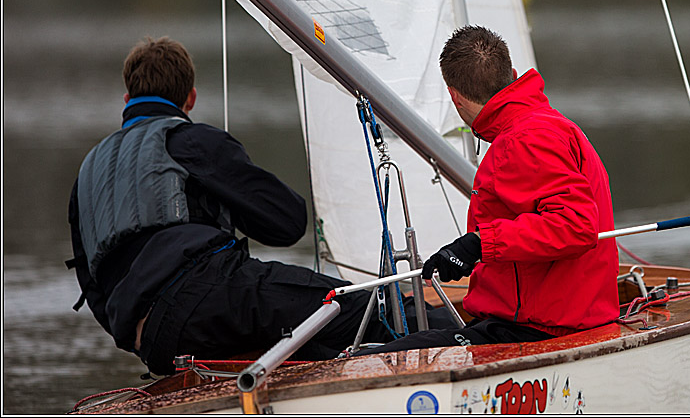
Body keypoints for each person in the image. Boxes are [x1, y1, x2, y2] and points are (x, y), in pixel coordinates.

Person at [67, 37, 427, 376]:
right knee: (361, 312)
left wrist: (138, 337)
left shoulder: (85, 174)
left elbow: (92, 286)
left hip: (149, 340)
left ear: (127, 98)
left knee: (304, 345)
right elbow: (287, 223)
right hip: (207, 296)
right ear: (189, 99)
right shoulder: (190, 141)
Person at [354, 25, 620, 354]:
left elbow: (576, 226)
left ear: (455, 97)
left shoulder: (526, 139)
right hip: (555, 317)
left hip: (540, 329)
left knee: (377, 356)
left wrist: (478, 244)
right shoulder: (546, 123)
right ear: (511, 73)